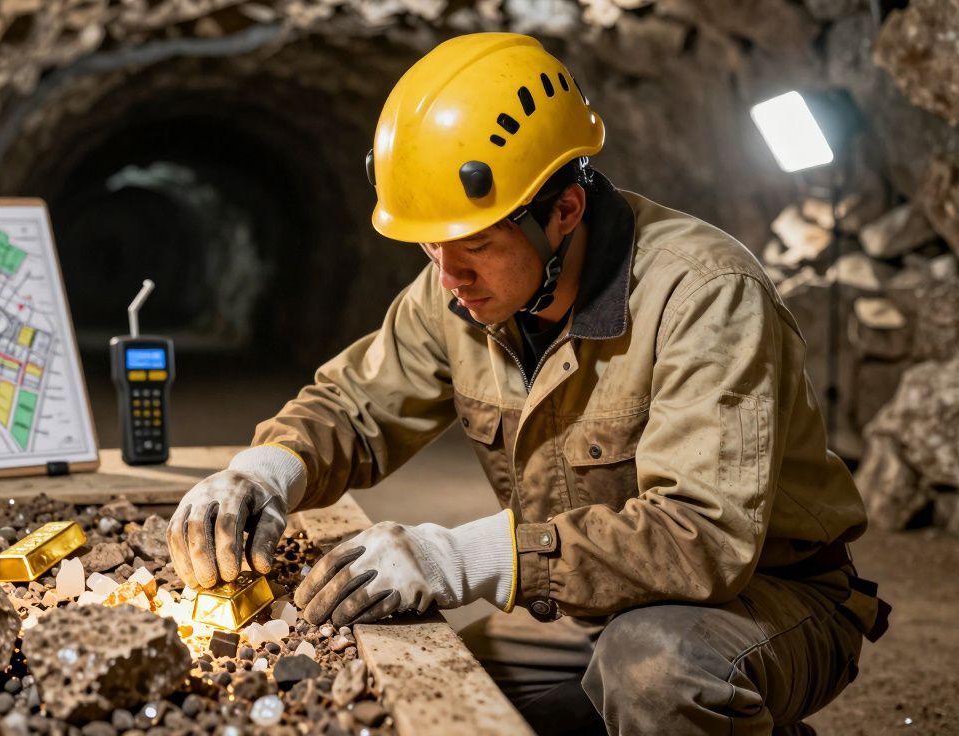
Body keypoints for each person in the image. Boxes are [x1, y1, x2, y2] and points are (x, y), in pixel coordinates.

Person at [166, 32, 888, 734]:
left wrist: (458, 557)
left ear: (564, 211)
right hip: (594, 599)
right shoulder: (458, 290)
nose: (450, 276)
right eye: (430, 245)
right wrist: (265, 470)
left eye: (475, 245)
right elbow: (355, 408)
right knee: (439, 696)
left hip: (768, 596)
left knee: (653, 673)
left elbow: (701, 539)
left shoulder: (704, 294)